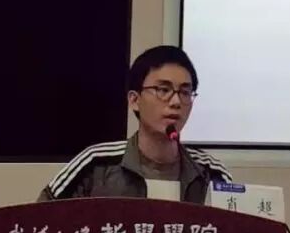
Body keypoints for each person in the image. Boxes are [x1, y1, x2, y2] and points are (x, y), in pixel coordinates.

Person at [38, 45, 231, 202]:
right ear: (134, 100)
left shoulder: (211, 173)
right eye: (163, 90)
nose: (176, 102)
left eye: (185, 92)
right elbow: (39, 223)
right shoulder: (95, 164)